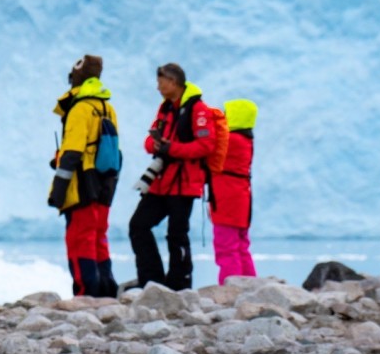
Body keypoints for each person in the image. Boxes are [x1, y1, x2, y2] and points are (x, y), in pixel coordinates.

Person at [129, 63, 216, 290]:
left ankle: (180, 283)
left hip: (184, 183)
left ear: (173, 82)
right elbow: (148, 141)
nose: (158, 87)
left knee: (177, 234)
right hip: (161, 182)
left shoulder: (198, 110)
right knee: (138, 225)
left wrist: (172, 149)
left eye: (160, 82)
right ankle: (153, 280)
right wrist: (156, 144)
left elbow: (206, 145)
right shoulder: (165, 109)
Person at [49, 54, 120, 298]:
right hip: (105, 182)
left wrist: (58, 191)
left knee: (80, 238)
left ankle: (85, 293)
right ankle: (107, 290)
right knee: (98, 237)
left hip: (83, 184)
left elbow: (73, 153)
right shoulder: (106, 107)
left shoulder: (80, 108)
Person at [210, 99, 259, 284]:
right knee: (241, 245)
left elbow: (207, 148)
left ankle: (230, 288)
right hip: (241, 197)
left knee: (226, 246)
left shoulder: (230, 140)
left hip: (226, 198)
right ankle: (251, 284)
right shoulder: (245, 139)